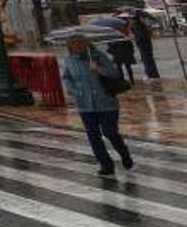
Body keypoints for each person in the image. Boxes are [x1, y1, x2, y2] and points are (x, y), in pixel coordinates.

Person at [61, 33, 134, 176]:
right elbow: (67, 78)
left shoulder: (98, 56)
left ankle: (124, 153)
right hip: (85, 105)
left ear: (86, 44)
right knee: (93, 136)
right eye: (73, 45)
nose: (77, 47)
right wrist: (74, 92)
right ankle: (106, 164)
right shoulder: (69, 60)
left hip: (106, 102)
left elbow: (114, 73)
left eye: (80, 44)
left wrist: (99, 69)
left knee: (110, 132)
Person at [130, 13, 160, 79]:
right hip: (146, 43)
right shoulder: (141, 25)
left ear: (134, 19)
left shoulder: (137, 26)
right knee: (149, 59)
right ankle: (154, 74)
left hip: (143, 44)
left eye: (131, 19)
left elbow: (141, 36)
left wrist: (135, 37)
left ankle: (150, 74)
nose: (130, 21)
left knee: (146, 59)